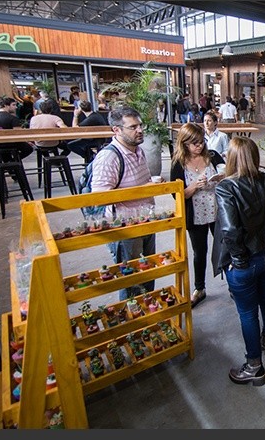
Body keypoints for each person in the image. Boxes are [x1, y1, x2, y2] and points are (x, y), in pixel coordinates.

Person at [211, 135, 265, 386]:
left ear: (231, 158)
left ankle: (254, 366)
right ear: (255, 157)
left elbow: (229, 229)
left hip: (244, 261)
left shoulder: (225, 187)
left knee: (247, 312)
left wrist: (238, 259)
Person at [91, 106, 158, 300]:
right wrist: (145, 188)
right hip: (125, 228)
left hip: (146, 221)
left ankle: (149, 313)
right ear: (117, 130)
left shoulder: (138, 151)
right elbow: (99, 197)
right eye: (133, 127)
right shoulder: (109, 157)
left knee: (148, 272)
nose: (140, 130)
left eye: (140, 125)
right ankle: (133, 316)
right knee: (131, 280)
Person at [170, 123, 225, 308]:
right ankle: (199, 288)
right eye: (195, 143)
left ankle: (233, 284)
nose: (199, 146)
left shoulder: (212, 156)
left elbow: (227, 173)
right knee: (199, 252)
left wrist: (222, 177)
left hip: (217, 211)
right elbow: (178, 195)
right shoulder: (178, 163)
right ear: (184, 143)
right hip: (196, 214)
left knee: (224, 247)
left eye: (202, 142)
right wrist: (194, 186)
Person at [0, 96, 34, 163]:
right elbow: (19, 134)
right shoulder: (12, 118)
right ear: (6, 105)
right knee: (29, 149)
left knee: (5, 153)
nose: (16, 107)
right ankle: (13, 162)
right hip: (11, 143)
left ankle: (9, 164)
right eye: (13, 105)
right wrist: (27, 141)